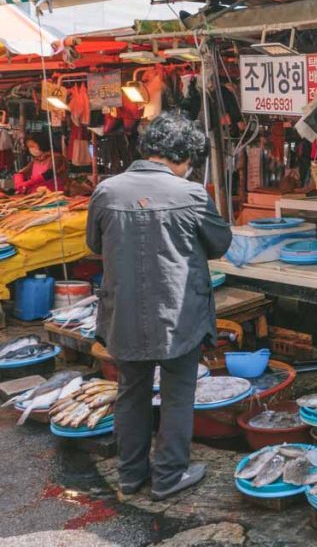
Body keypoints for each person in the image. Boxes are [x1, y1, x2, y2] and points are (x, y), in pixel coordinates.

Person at [86, 111, 232, 500]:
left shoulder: (106, 190)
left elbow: (94, 246)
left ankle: (130, 476)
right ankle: (168, 476)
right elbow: (220, 244)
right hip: (178, 314)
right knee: (177, 393)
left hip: (124, 314)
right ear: (182, 156)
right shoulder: (192, 194)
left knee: (130, 391)